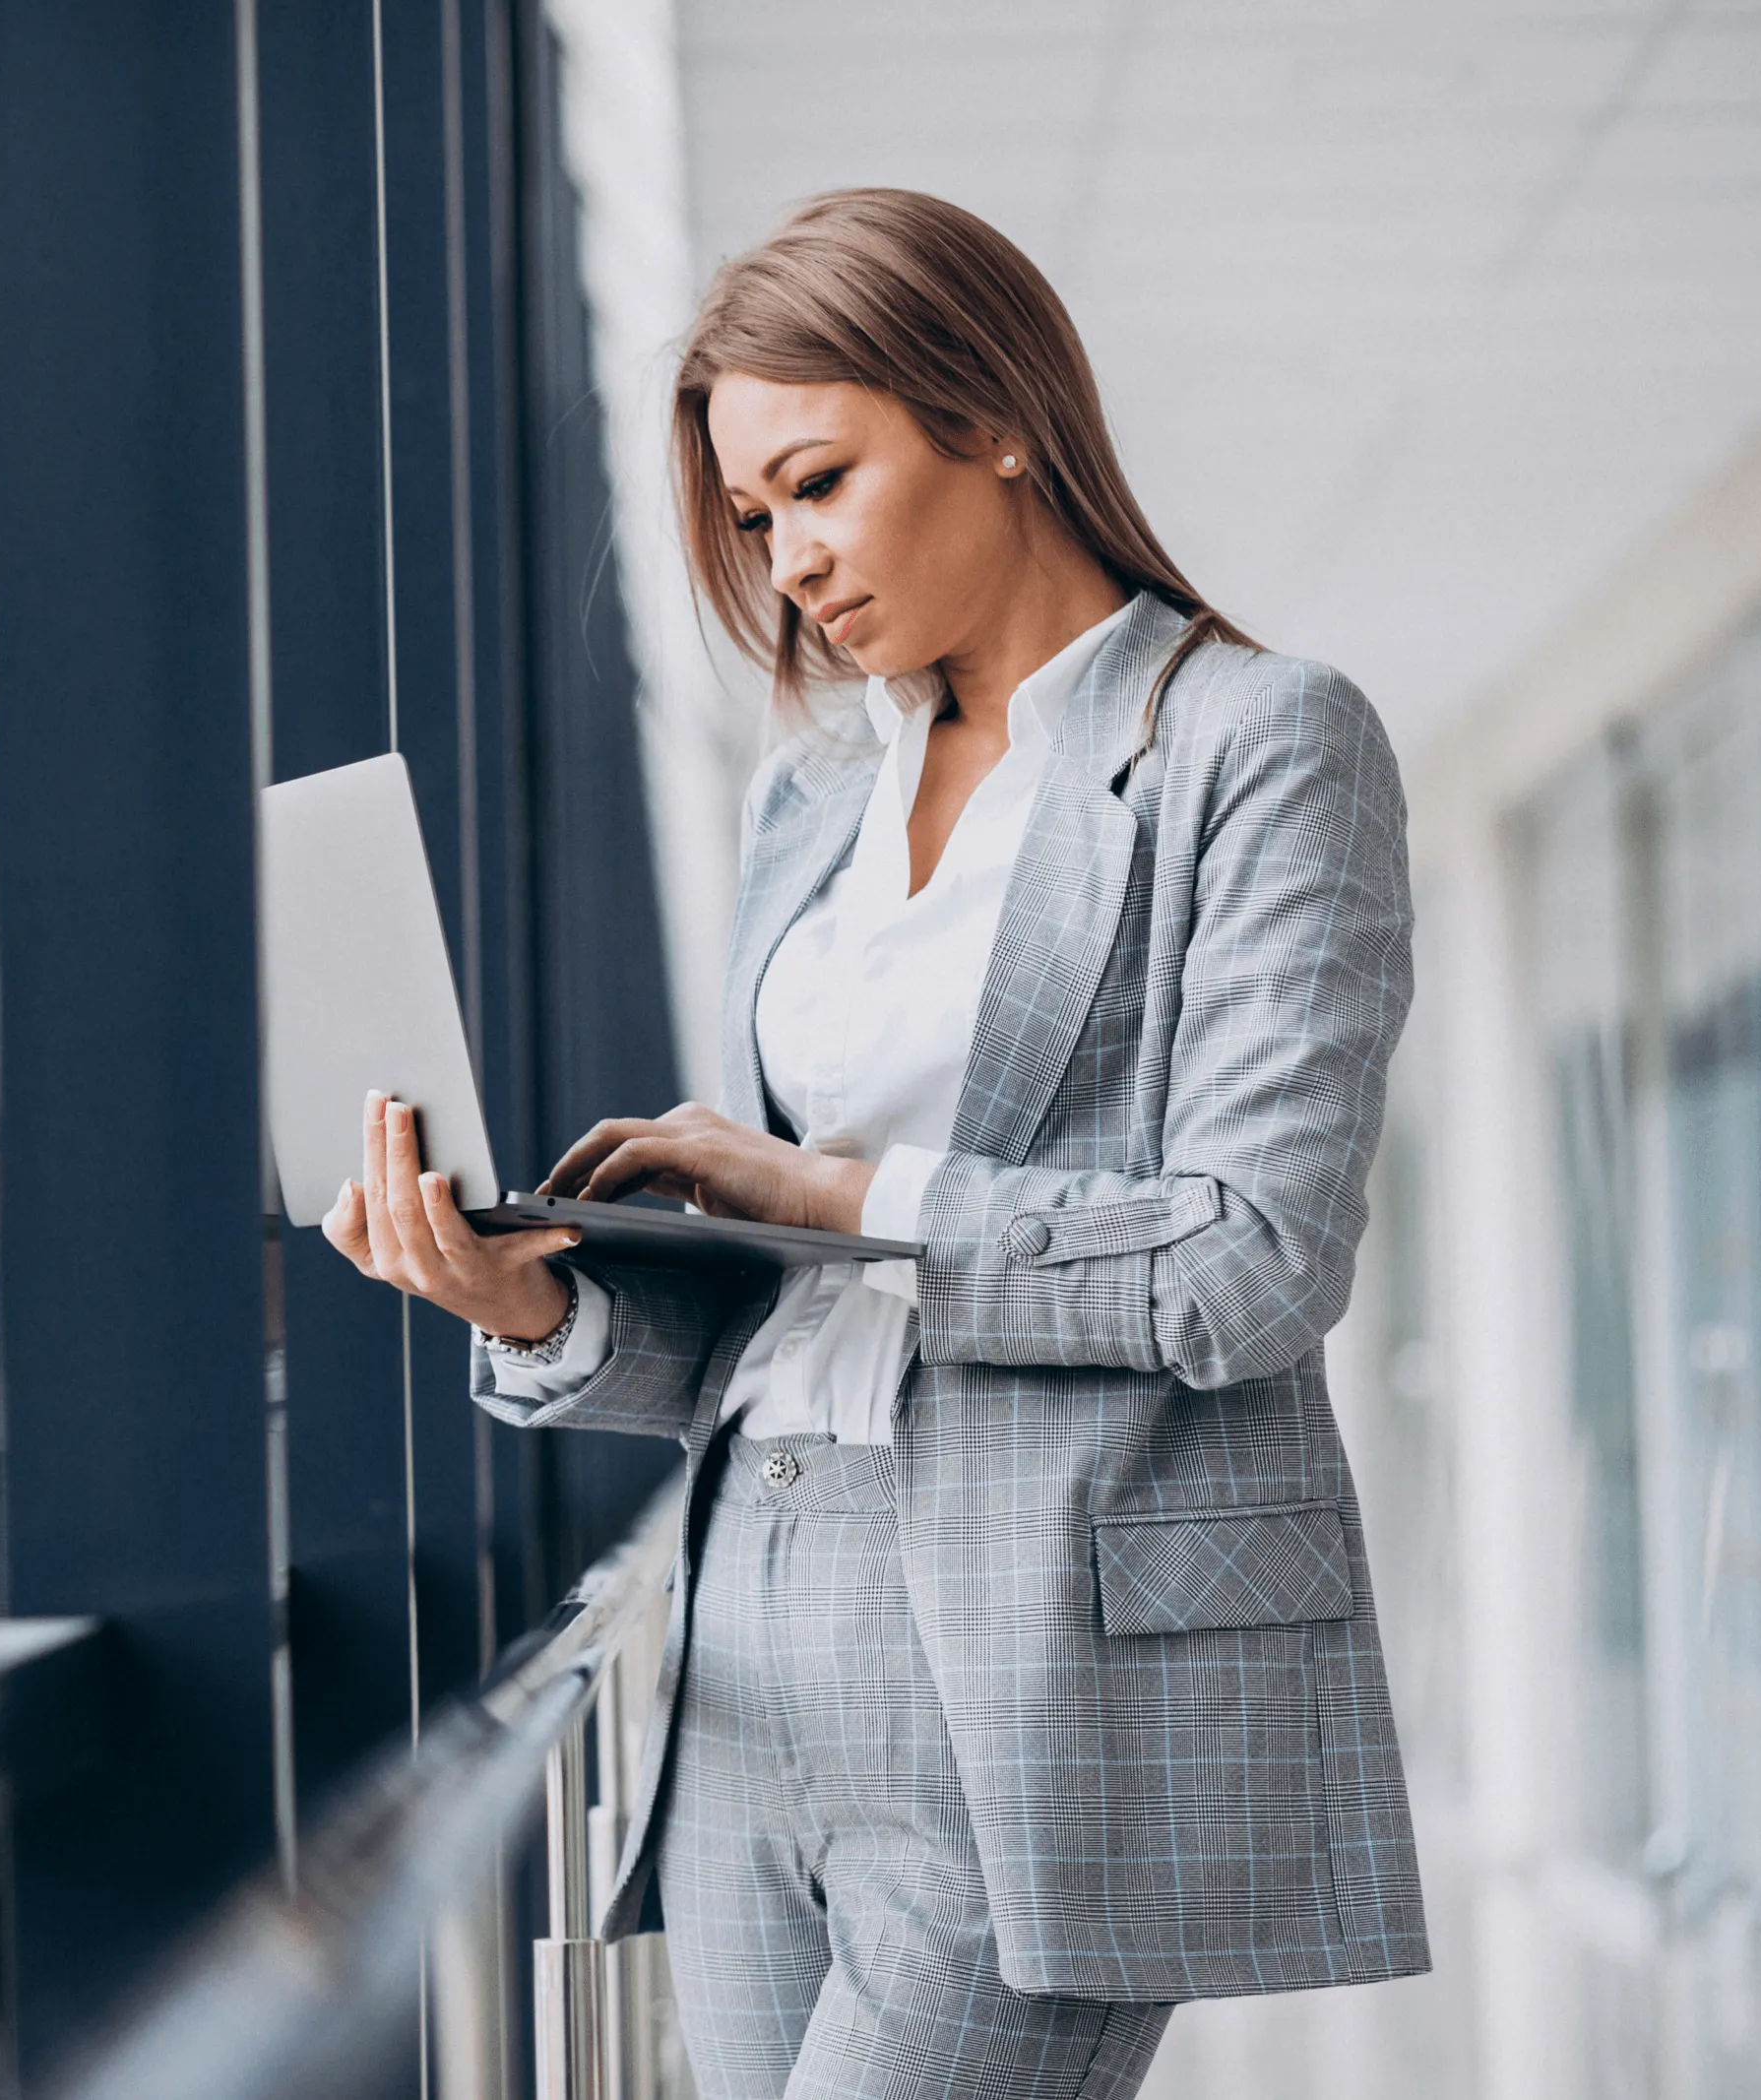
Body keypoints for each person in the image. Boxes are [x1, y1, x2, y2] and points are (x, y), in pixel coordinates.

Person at [323, 188, 1426, 2099]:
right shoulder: (816, 792)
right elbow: (789, 1324)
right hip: (749, 1630)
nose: (787, 562)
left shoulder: (1259, 741)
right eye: (754, 520)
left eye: (817, 482)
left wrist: (825, 1187)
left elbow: (1253, 1261)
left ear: (989, 413)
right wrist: (529, 1309)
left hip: (1037, 1652)